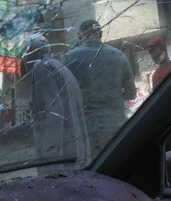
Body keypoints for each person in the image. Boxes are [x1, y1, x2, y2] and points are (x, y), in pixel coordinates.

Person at [62, 20, 136, 154]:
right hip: (117, 131)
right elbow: (132, 93)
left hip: (86, 133)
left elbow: (62, 97)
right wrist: (113, 96)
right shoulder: (119, 56)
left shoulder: (69, 58)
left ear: (79, 35)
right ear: (101, 34)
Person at [21, 34, 90, 173]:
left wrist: (51, 159)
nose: (24, 59)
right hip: (72, 149)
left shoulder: (41, 67)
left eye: (24, 54)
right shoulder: (58, 66)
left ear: (32, 52)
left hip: (60, 156)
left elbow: (53, 113)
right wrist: (17, 129)